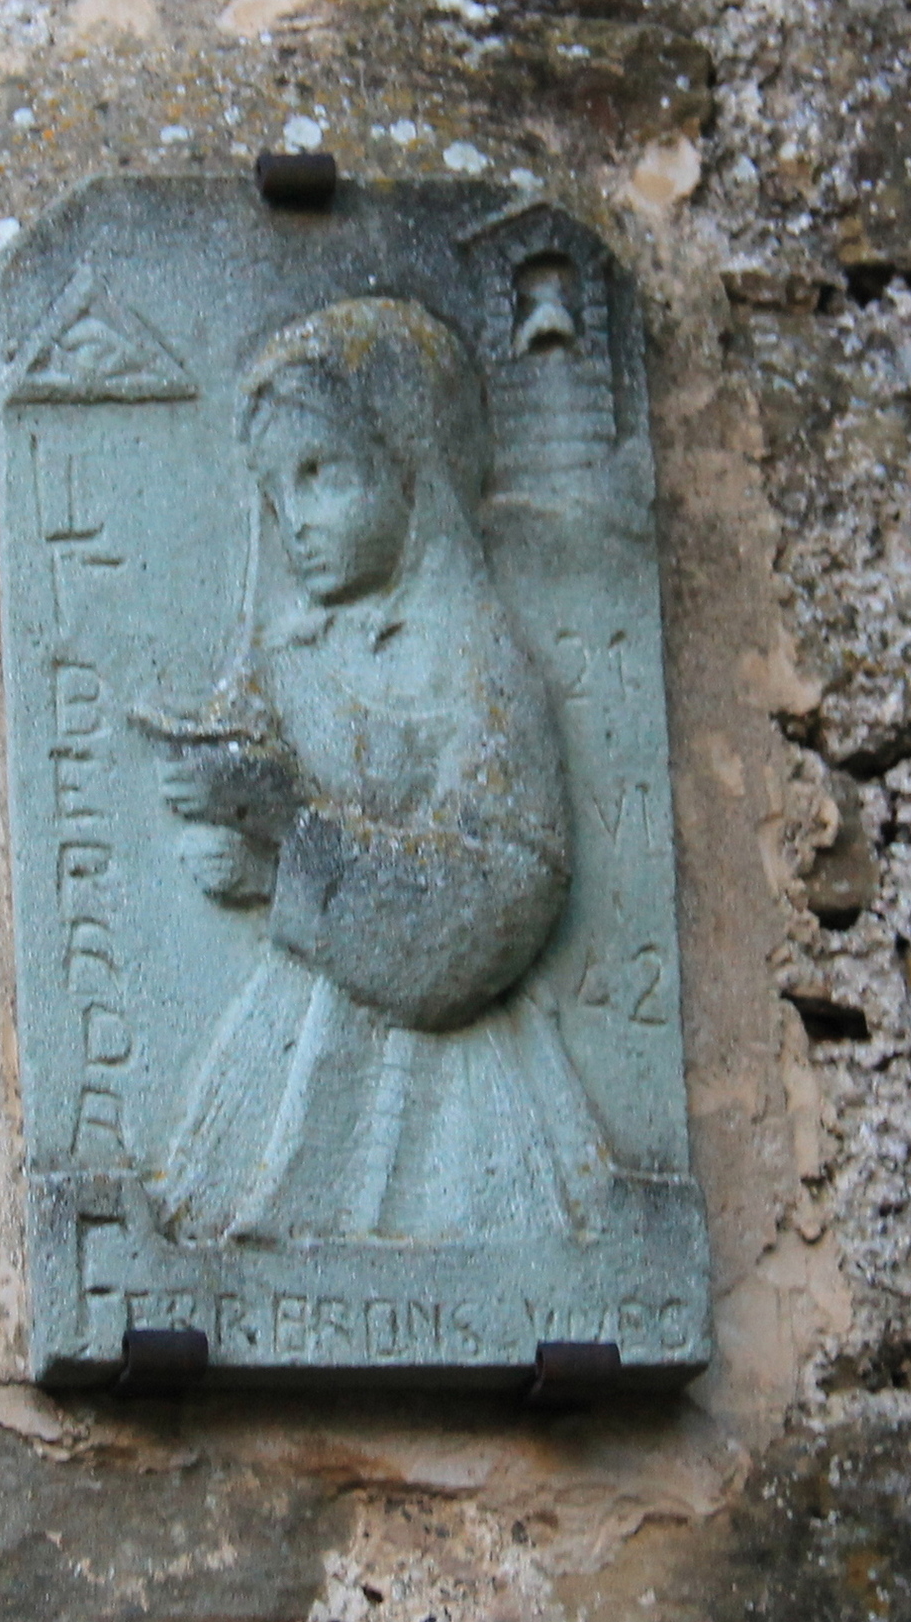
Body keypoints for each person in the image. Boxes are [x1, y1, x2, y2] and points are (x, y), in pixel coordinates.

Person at [142, 296, 619, 1246]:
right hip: (296, 1041)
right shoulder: (296, 657)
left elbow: (509, 883)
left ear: (412, 462)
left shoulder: (477, 663)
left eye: (321, 474)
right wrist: (238, 815)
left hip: (454, 1085)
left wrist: (289, 851)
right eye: (276, 492)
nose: (294, 521)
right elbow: (255, 765)